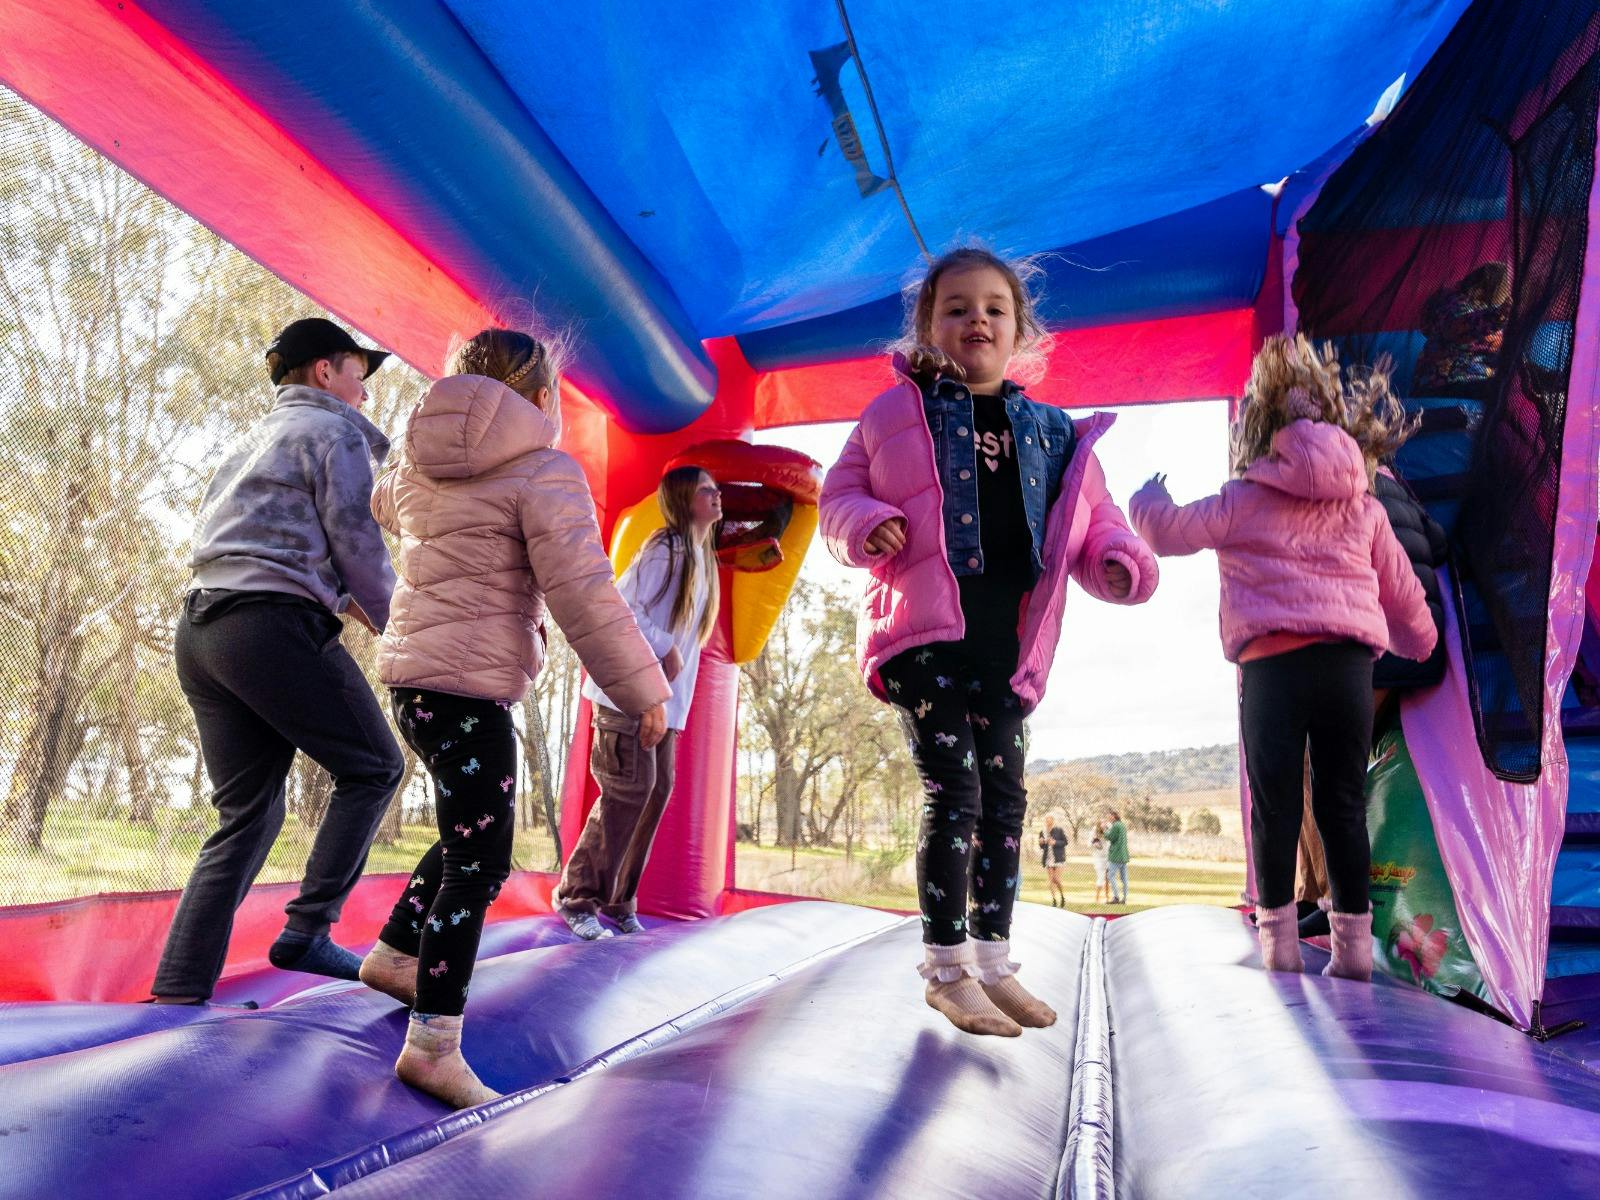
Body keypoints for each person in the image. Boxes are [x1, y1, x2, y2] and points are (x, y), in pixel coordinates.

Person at [820, 246, 1159, 1037]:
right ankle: (946, 970)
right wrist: (867, 523)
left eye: (994, 308)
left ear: (1020, 331)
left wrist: (1118, 559)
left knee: (1006, 802)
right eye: (957, 308)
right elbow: (840, 498)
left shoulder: (1053, 431)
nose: (977, 319)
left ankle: (994, 961)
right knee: (956, 793)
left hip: (1006, 644)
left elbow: (1095, 520)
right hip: (923, 634)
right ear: (927, 328)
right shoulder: (892, 415)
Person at [356, 327, 670, 1108]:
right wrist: (642, 688)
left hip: (413, 685)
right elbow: (584, 592)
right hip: (468, 689)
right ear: (541, 399)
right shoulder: (544, 470)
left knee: (470, 830)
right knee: (481, 860)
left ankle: (395, 953)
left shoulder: (415, 463)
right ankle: (433, 1045)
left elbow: (382, 504)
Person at [1130, 333, 1437, 981]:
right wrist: (1420, 644)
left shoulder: (1242, 498)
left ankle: (1280, 950)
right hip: (1347, 670)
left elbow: (1168, 531)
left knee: (1276, 808)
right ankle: (1353, 953)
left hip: (1273, 670)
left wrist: (1147, 498)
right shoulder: (1363, 506)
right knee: (1342, 804)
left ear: (1262, 428)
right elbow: (1404, 594)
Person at [151, 318, 404, 1006]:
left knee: (249, 815)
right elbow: (358, 545)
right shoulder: (335, 433)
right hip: (271, 628)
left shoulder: (252, 438)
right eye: (358, 374)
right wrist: (404, 631)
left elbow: (268, 545)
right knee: (375, 766)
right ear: (325, 371)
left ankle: (178, 987)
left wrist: (342, 601)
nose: (364, 391)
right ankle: (309, 929)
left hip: (202, 630)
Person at [554, 466, 722, 939]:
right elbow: (622, 605)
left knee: (656, 790)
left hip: (664, 703)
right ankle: (576, 896)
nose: (717, 495)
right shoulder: (664, 549)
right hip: (626, 694)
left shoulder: (702, 557)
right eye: (706, 490)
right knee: (629, 789)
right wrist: (664, 645)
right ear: (684, 499)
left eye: (716, 488)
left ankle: (619, 900)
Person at [1411, 262, 1510, 400]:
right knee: (1505, 389)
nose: (1507, 295)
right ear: (1484, 289)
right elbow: (1460, 328)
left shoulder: (1484, 311)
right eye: (1504, 290)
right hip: (1443, 384)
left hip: (1473, 379)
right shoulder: (1454, 303)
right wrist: (1497, 317)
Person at [1037, 814, 1068, 908]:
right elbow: (1042, 846)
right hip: (1048, 858)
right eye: (1046, 820)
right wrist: (1041, 843)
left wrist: (1055, 842)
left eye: (1050, 820)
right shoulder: (1042, 831)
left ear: (1053, 821)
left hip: (1058, 858)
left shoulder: (1059, 830)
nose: (1048, 822)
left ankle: (1062, 897)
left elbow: (1065, 842)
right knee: (1051, 880)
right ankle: (1054, 901)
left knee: (1056, 879)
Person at [1103, 810, 1130, 904]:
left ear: (1114, 816)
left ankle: (1116, 897)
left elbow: (1111, 837)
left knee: (1110, 876)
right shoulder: (1122, 825)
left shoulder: (1115, 825)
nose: (1108, 818)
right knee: (1124, 878)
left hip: (1116, 855)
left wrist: (1104, 830)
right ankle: (1124, 898)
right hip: (1123, 856)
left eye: (1109, 816)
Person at [1090, 826, 1110, 905]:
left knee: (1107, 878)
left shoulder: (1107, 835)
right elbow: (1090, 844)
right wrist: (1095, 842)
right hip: (1098, 859)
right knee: (1101, 878)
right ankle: (1097, 898)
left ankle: (1107, 898)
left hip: (1108, 858)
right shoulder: (1094, 836)